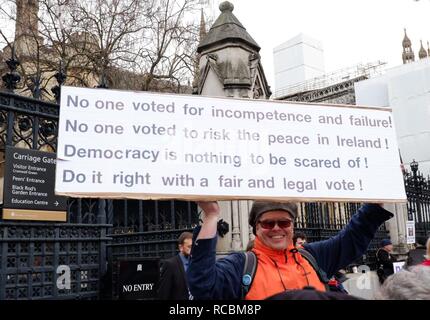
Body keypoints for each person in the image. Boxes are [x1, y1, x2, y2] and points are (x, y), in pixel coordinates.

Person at [187, 201, 393, 300]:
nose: (277, 228)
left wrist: (377, 198)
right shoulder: (241, 265)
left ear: (292, 226)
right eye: (268, 224)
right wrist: (211, 216)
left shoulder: (312, 256)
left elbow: (351, 239)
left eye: (284, 222)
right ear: (256, 229)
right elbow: (202, 285)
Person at [157, 231, 193, 300]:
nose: (192, 250)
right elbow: (164, 294)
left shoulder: (195, 263)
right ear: (181, 248)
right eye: (189, 247)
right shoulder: (170, 265)